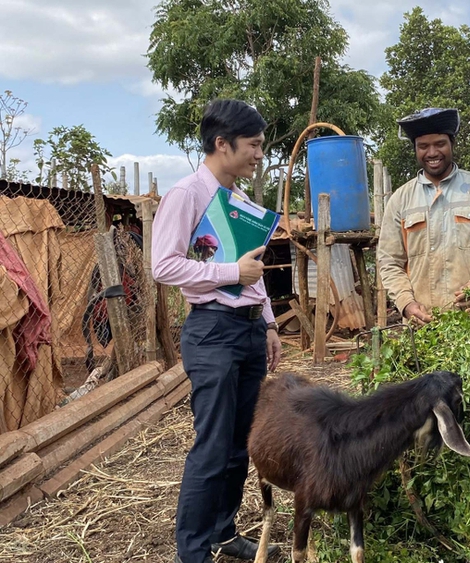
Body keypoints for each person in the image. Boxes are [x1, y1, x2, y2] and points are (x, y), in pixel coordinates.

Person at [152, 99, 282, 563]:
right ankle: (191, 552)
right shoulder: (186, 194)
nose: (259, 154)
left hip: (247, 331)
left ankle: (223, 533)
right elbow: (164, 266)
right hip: (211, 332)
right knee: (210, 447)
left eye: (262, 145)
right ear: (221, 144)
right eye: (253, 145)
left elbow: (255, 270)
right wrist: (229, 273)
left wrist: (267, 322)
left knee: (237, 446)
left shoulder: (243, 202)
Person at [377, 107, 470, 324]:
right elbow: (389, 261)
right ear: (415, 150)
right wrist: (407, 304)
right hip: (423, 325)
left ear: (452, 144)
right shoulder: (400, 199)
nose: (432, 153)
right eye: (423, 146)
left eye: (439, 144)